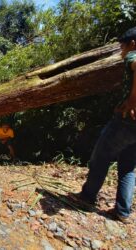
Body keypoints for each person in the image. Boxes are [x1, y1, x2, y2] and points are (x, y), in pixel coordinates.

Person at [77, 27, 136, 223]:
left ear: (132, 43)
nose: (121, 49)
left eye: (122, 45)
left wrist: (132, 102)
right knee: (128, 166)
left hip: (126, 121)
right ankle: (122, 211)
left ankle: (87, 197)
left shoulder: (133, 56)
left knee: (101, 156)